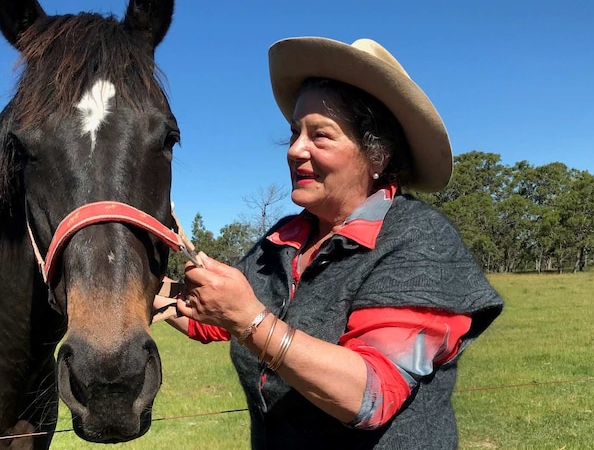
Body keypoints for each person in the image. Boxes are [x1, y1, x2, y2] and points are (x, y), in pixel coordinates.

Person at [153, 36, 504, 449]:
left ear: (379, 154)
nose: (295, 150)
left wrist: (251, 321)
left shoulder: (419, 240)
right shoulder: (283, 239)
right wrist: (117, 282)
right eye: (294, 133)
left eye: (321, 136)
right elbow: (206, 317)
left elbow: (370, 394)